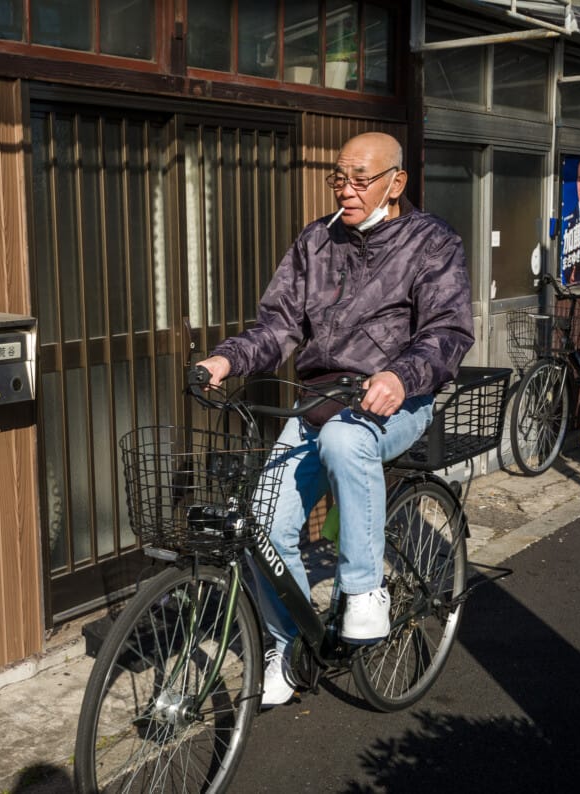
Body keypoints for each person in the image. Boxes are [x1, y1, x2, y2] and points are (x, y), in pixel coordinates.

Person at [195, 132, 473, 707]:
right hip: (318, 401)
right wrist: (226, 358)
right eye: (338, 177)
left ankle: (365, 590)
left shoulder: (432, 242)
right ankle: (287, 646)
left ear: (396, 183)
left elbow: (448, 332)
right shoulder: (316, 240)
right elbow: (278, 326)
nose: (345, 189)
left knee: (348, 440)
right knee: (263, 523)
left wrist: (401, 377)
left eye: (359, 179)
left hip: (398, 401)